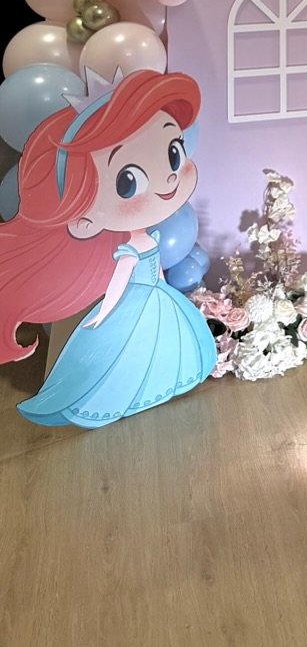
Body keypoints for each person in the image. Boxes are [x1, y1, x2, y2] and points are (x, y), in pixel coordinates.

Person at [0, 68, 216, 427]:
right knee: (121, 358)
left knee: (156, 350)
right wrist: (102, 315)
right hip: (132, 305)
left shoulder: (144, 236)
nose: (168, 177)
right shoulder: (123, 249)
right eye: (127, 182)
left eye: (174, 153)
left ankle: (150, 389)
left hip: (158, 299)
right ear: (82, 220)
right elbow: (117, 285)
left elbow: (154, 272)